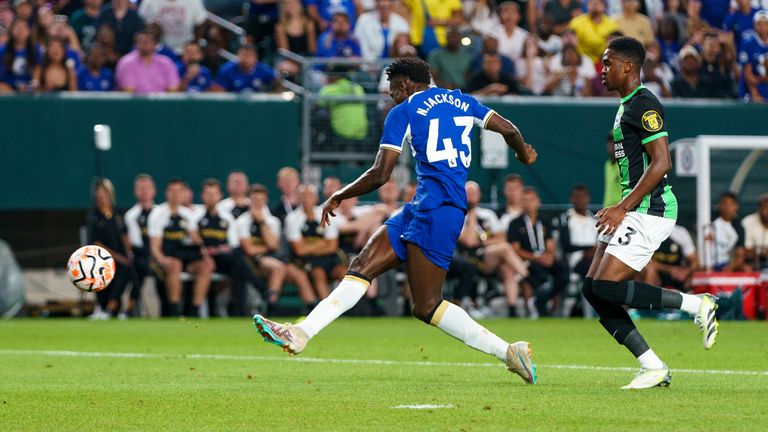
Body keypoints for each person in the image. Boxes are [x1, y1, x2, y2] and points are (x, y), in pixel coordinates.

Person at [253, 57, 539, 384]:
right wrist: (523, 153)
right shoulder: (463, 100)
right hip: (426, 205)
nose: (391, 97)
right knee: (361, 266)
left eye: (392, 90)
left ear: (404, 84)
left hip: (438, 209)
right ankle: (301, 332)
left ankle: (507, 352)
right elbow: (510, 129)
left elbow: (380, 173)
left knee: (427, 306)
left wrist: (339, 194)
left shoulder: (404, 111)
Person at [583, 37, 718, 390]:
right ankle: (653, 365)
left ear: (628, 66)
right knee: (593, 290)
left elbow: (662, 162)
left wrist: (622, 207)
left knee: (606, 287)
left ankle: (696, 304)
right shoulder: (625, 103)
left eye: (608, 63)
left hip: (649, 208)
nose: (603, 69)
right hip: (631, 207)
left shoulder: (644, 104)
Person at [457, 181, 528, 317]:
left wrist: (483, 241)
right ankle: (529, 278)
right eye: (468, 193)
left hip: (490, 255)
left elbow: (502, 237)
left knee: (507, 268)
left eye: (474, 193)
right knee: (505, 249)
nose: (471, 196)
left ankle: (512, 311)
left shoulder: (487, 214)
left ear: (479, 195)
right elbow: (469, 242)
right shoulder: (457, 215)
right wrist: (471, 214)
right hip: (469, 259)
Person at [147, 178, 213, 318]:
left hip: (186, 257)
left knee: (205, 267)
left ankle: (195, 311)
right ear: (166, 193)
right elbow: (155, 247)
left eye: (179, 191)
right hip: (165, 258)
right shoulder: (158, 214)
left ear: (185, 193)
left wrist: (207, 257)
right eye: (172, 191)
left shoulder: (188, 215)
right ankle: (174, 312)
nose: (175, 195)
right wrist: (163, 260)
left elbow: (196, 240)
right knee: (175, 265)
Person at [508, 187, 568, 317]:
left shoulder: (545, 221)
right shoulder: (515, 223)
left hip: (544, 259)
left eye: (531, 200)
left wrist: (549, 256)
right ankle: (538, 307)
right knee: (538, 275)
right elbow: (515, 249)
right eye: (525, 200)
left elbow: (551, 243)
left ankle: (543, 299)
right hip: (528, 261)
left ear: (538, 202)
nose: (528, 203)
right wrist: (536, 258)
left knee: (563, 273)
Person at [285, 184, 346, 304]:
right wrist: (323, 243)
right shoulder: (292, 219)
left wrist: (309, 246)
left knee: (345, 273)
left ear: (316, 198)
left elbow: (333, 246)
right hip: (306, 262)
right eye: (302, 196)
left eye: (309, 195)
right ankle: (328, 309)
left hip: (330, 258)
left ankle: (356, 309)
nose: (306, 198)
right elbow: (299, 250)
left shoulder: (326, 213)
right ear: (298, 198)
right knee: (319, 273)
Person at [87, 178, 132, 319]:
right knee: (98, 270)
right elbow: (96, 244)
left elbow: (125, 237)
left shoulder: (117, 215)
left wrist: (128, 253)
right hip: (101, 258)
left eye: (104, 193)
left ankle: (113, 307)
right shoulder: (92, 216)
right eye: (98, 193)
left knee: (127, 269)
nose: (101, 196)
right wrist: (118, 257)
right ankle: (102, 306)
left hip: (120, 259)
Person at [237, 184, 285, 310]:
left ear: (266, 201)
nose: (258, 203)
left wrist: (262, 223)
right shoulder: (242, 221)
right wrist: (267, 247)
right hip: (249, 262)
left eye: (261, 200)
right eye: (254, 200)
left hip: (269, 258)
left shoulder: (273, 221)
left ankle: (270, 303)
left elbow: (274, 245)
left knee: (280, 268)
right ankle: (271, 305)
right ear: (249, 201)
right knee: (278, 267)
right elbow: (249, 250)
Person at [123, 174, 158, 317]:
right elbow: (133, 242)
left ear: (154, 190)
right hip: (141, 255)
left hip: (159, 255)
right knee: (138, 267)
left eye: (147, 188)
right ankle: (129, 310)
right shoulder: (131, 215)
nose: (144, 192)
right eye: (140, 188)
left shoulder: (160, 212)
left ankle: (171, 311)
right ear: (135, 192)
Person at [552, 184, 598, 280]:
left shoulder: (594, 220)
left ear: (588, 198)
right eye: (577, 197)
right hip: (573, 262)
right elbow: (566, 246)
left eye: (583, 196)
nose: (580, 200)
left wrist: (593, 251)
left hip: (595, 258)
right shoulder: (565, 218)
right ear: (571, 199)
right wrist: (588, 249)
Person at [115, 30, 180, 93]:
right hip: (136, 103)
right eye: (140, 42)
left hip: (161, 103)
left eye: (147, 42)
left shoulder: (166, 62)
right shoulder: (127, 63)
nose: (144, 45)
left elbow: (173, 90)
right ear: (136, 44)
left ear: (155, 44)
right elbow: (128, 92)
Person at [641, 224, 698, 292]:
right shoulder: (648, 231)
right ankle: (649, 296)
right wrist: (670, 270)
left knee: (693, 271)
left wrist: (687, 271)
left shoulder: (680, 232)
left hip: (677, 273)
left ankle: (688, 295)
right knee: (649, 268)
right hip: (658, 273)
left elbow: (695, 260)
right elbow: (643, 259)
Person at [138, 0, 207, 54]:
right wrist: (152, 31)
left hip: (185, 50)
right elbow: (141, 23)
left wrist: (194, 43)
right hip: (158, 49)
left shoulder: (193, 1)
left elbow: (201, 22)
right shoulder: (149, 2)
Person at [213, 44, 279, 93]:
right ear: (237, 56)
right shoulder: (226, 70)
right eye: (243, 55)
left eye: (249, 56)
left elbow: (277, 84)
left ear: (256, 58)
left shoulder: (263, 69)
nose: (246, 59)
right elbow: (219, 93)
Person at [709, 192, 749, 272]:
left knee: (747, 269)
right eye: (724, 203)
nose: (727, 207)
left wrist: (731, 267)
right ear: (719, 205)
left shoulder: (738, 228)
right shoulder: (708, 219)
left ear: (736, 206)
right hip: (706, 262)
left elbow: (740, 254)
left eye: (731, 204)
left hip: (724, 264)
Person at [0, 19, 41, 92]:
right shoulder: (3, 50)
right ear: (11, 31)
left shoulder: (36, 49)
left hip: (28, 89)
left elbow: (37, 67)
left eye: (24, 28)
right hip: (7, 88)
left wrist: (34, 83)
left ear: (29, 32)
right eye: (17, 27)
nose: (20, 30)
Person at [739, 11, 768, 102]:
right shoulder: (748, 43)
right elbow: (747, 73)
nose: (762, 27)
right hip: (750, 88)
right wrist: (755, 94)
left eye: (765, 23)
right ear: (754, 25)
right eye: (759, 23)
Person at [742, 193, 768, 269]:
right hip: (753, 263)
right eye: (765, 207)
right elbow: (747, 251)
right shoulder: (748, 221)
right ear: (759, 208)